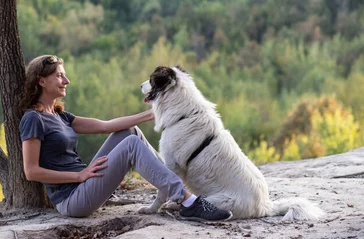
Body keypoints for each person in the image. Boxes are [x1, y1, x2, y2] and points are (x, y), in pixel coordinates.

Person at [19, 55, 232, 222]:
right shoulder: (33, 119)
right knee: (131, 145)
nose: (67, 80)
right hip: (72, 200)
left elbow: (105, 126)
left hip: (84, 184)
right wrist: (79, 176)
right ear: (41, 81)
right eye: (59, 76)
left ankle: (174, 192)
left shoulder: (60, 116)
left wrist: (154, 112)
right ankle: (187, 201)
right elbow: (31, 171)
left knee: (130, 132)